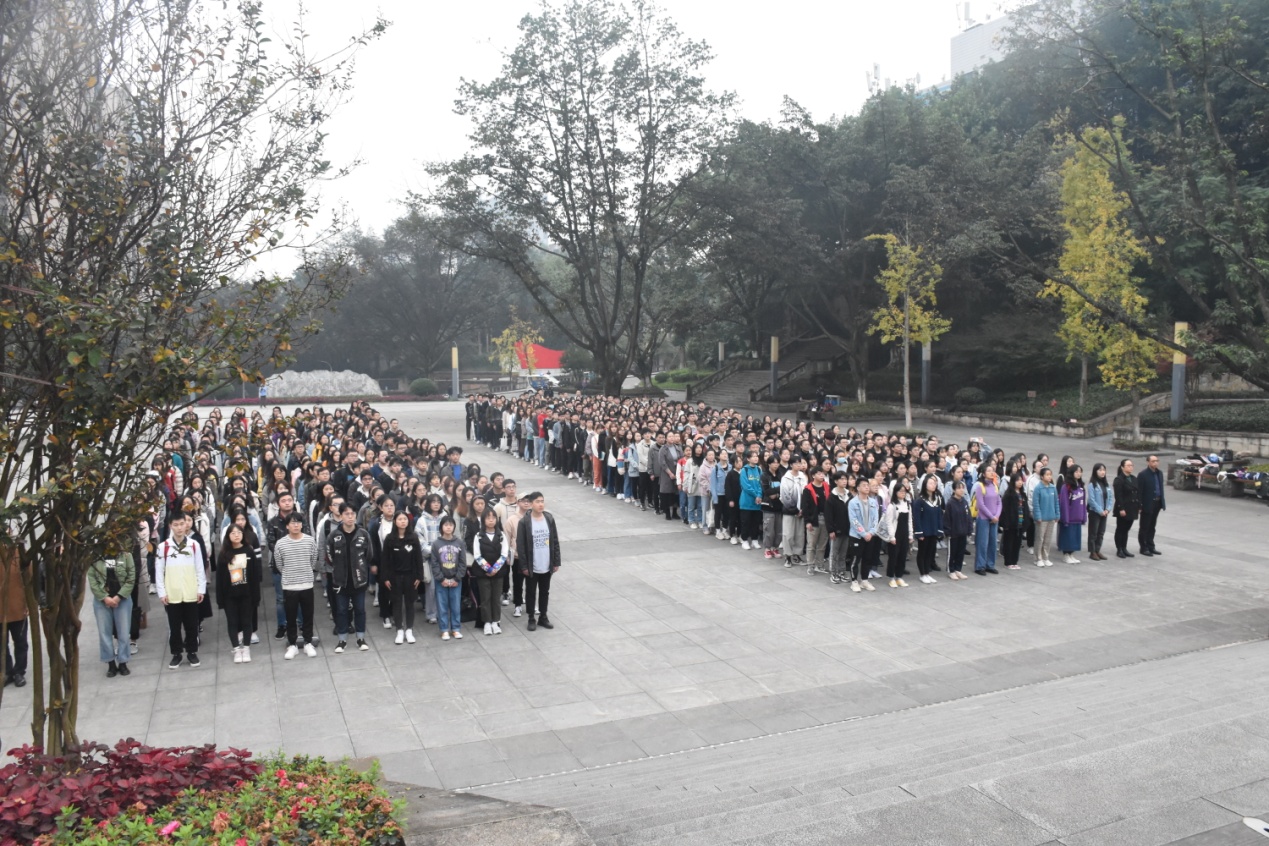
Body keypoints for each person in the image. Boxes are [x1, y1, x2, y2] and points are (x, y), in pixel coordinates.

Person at [155, 512, 207, 669]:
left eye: (182, 524)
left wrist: (201, 589)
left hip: (191, 592)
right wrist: (162, 592)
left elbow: (200, 568)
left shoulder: (194, 545)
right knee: (174, 626)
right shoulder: (163, 547)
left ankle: (192, 652)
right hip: (172, 593)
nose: (179, 528)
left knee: (192, 625)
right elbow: (159, 572)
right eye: (176, 525)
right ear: (170, 526)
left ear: (187, 524)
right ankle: (176, 653)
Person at [327, 503, 372, 654]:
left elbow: (369, 555)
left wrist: (361, 569)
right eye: (346, 514)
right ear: (341, 516)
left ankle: (361, 638)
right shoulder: (334, 535)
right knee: (341, 610)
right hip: (340, 580)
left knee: (360, 610)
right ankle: (342, 640)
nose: (350, 517)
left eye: (352, 514)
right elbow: (329, 557)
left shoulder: (363, 534)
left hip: (359, 580)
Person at [274, 511, 319, 659]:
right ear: (287, 526)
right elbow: (279, 564)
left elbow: (313, 560)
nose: (296, 525)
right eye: (293, 523)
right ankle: (292, 644)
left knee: (308, 615)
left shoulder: (310, 541)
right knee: (291, 616)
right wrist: (289, 574)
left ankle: (308, 642)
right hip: (290, 586)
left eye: (298, 522)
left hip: (307, 584)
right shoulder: (280, 543)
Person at [88, 541, 135, 677]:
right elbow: (92, 579)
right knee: (104, 633)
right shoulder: (95, 556)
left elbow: (131, 577)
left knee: (123, 632)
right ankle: (110, 663)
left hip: (122, 599)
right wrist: (104, 597)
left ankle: (123, 662)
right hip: (102, 600)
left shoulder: (126, 556)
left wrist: (119, 596)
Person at [215, 524, 261, 663]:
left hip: (247, 594)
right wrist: (220, 599)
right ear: (228, 536)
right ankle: (236, 649)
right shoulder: (224, 554)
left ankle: (246, 648)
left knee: (247, 622)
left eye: (239, 532)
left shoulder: (249, 551)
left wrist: (256, 596)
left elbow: (254, 575)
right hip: (229, 596)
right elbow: (219, 578)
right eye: (233, 533)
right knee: (232, 622)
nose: (236, 535)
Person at [515, 492, 560, 632]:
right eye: (537, 501)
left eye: (542, 501)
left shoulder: (549, 518)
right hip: (532, 565)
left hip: (546, 562)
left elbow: (555, 541)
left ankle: (543, 616)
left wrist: (556, 561)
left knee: (545, 591)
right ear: (531, 504)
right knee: (530, 592)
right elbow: (521, 546)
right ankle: (531, 618)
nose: (541, 504)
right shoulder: (524, 522)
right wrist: (524, 566)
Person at [381, 510, 424, 645]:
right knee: (397, 603)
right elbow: (385, 560)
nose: (403, 521)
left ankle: (409, 630)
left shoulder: (413, 538)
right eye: (400, 519)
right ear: (395, 522)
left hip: (411, 576)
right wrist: (385, 578)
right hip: (394, 576)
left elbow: (418, 558)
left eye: (405, 519)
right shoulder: (390, 539)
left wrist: (419, 576)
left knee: (410, 603)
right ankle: (399, 630)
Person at [470, 508, 510, 636]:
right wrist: (488, 568)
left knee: (496, 597)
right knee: (485, 597)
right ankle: (487, 622)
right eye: (488, 518)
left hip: (499, 572)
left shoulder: (501, 535)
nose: (491, 520)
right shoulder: (478, 536)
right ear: (483, 520)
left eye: (493, 518)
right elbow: (477, 554)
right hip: (483, 572)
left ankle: (496, 621)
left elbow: (504, 553)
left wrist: (495, 568)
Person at [430, 516, 467, 640]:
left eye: (451, 525)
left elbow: (462, 562)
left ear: (454, 527)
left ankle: (456, 628)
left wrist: (457, 578)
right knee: (442, 605)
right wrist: (441, 579)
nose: (448, 527)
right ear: (441, 527)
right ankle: (444, 629)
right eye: (446, 525)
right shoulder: (436, 544)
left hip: (456, 580)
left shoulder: (459, 543)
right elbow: (434, 563)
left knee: (455, 605)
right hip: (441, 580)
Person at [0, 543, 28, 688]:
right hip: (1, 610)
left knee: (20, 642)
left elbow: (29, 576)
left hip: (18, 607)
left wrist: (28, 602)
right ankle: (7, 671)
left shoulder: (18, 553)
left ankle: (19, 671)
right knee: (1, 644)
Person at [881, 482, 914, 588]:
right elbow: (889, 522)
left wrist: (910, 535)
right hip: (895, 533)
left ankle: (899, 576)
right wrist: (892, 537)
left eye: (904, 491)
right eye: (901, 491)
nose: (903, 493)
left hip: (905, 533)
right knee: (893, 556)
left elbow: (909, 520)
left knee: (902, 556)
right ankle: (891, 577)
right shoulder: (892, 506)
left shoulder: (908, 504)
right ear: (895, 492)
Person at [912, 475, 944, 583]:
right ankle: (922, 574)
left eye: (934, 483)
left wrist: (940, 529)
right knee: (922, 552)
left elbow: (939, 515)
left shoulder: (937, 499)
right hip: (924, 531)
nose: (933, 485)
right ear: (925, 485)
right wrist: (919, 532)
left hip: (933, 531)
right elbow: (917, 518)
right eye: (930, 483)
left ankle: (927, 573)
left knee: (930, 553)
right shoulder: (920, 500)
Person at [800, 466, 830, 575]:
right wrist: (807, 521)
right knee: (811, 544)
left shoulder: (826, 486)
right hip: (814, 519)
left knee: (822, 544)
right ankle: (810, 565)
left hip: (825, 519)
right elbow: (805, 507)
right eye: (819, 473)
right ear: (813, 476)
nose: (822, 475)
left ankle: (820, 565)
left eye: (822, 473)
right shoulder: (808, 489)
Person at [780, 455, 808, 567]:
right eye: (796, 463)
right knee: (788, 534)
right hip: (789, 510)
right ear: (791, 465)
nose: (798, 465)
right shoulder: (786, 478)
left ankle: (797, 554)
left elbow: (806, 493)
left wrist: (802, 509)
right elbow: (785, 496)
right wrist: (795, 510)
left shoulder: (802, 477)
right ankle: (787, 556)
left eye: (800, 463)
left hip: (801, 510)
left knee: (799, 534)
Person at [971, 467, 1001, 575]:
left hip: (994, 519)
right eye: (988, 471)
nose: (991, 472)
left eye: (992, 471)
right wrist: (991, 516)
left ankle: (990, 565)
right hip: (984, 518)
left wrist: (997, 515)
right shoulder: (980, 486)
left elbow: (999, 502)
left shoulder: (995, 485)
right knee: (982, 543)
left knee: (993, 543)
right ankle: (980, 566)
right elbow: (981, 504)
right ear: (983, 474)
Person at [1136, 454, 1166, 556]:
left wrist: (1162, 502)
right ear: (1148, 462)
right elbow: (1139, 491)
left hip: (1157, 502)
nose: (1155, 463)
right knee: (1144, 526)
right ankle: (1143, 547)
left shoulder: (1159, 473)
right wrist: (1139, 505)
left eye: (1157, 461)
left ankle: (1151, 546)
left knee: (1152, 526)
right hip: (1147, 503)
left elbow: (1160, 488)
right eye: (1153, 461)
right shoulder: (1143, 474)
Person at [1057, 464, 1087, 565]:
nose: (1079, 474)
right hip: (1069, 517)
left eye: (1080, 472)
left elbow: (1083, 502)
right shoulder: (1066, 486)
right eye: (1076, 472)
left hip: (1077, 517)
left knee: (1075, 537)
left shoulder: (1080, 486)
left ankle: (1071, 554)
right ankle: (1066, 555)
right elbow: (1064, 503)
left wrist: (1084, 516)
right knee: (1068, 537)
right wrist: (1065, 518)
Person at [999, 473, 1029, 571]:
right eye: (1017, 480)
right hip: (1011, 523)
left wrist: (1026, 522)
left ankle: (1015, 561)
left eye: (1021, 480)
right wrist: (1005, 523)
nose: (1020, 482)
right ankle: (1008, 562)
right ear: (1013, 482)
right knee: (1009, 542)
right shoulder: (1009, 494)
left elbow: (1026, 509)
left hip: (1020, 522)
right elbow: (1005, 510)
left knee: (1017, 543)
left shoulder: (1023, 494)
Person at [942, 480, 972, 579]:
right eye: (959, 488)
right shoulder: (950, 503)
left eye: (963, 488)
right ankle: (951, 570)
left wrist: (969, 529)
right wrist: (948, 532)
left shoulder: (964, 502)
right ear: (954, 490)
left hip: (963, 532)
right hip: (953, 533)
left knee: (960, 552)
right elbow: (947, 519)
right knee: (952, 553)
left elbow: (968, 516)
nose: (961, 490)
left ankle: (958, 569)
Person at [1030, 468, 1060, 567]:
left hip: (1051, 518)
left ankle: (1045, 557)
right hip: (1041, 519)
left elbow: (1056, 502)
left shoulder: (1053, 487)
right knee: (1040, 539)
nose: (1049, 476)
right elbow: (1036, 504)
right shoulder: (1038, 488)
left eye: (1050, 474)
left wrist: (1057, 514)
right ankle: (1038, 558)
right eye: (1047, 475)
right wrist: (1038, 516)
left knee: (1048, 539)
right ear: (1042, 476)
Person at [1086, 463, 1115, 561]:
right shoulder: (1092, 485)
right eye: (1100, 470)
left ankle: (1098, 550)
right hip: (1095, 512)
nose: (1102, 472)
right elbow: (1091, 500)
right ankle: (1092, 552)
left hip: (1104, 512)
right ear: (1095, 471)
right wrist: (1100, 510)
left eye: (1104, 470)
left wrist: (1108, 509)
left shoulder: (1106, 484)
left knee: (1101, 532)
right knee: (1093, 533)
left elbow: (1110, 498)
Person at [1112, 459, 1141, 558]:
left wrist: (1139, 506)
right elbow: (1118, 496)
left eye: (1131, 465)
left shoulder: (1134, 478)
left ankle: (1124, 548)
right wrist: (1121, 508)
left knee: (1126, 529)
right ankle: (1119, 549)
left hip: (1132, 507)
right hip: (1124, 507)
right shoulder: (1119, 480)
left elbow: (1137, 493)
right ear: (1122, 467)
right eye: (1128, 465)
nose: (1130, 467)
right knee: (1121, 529)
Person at [737, 451, 764, 550]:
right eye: (753, 456)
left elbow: (761, 484)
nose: (755, 458)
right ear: (748, 459)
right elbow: (745, 486)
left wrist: (759, 495)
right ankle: (744, 540)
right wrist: (755, 495)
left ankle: (754, 540)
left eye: (756, 456)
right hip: (746, 501)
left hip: (757, 502)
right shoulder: (744, 470)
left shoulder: (759, 469)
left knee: (756, 522)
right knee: (746, 522)